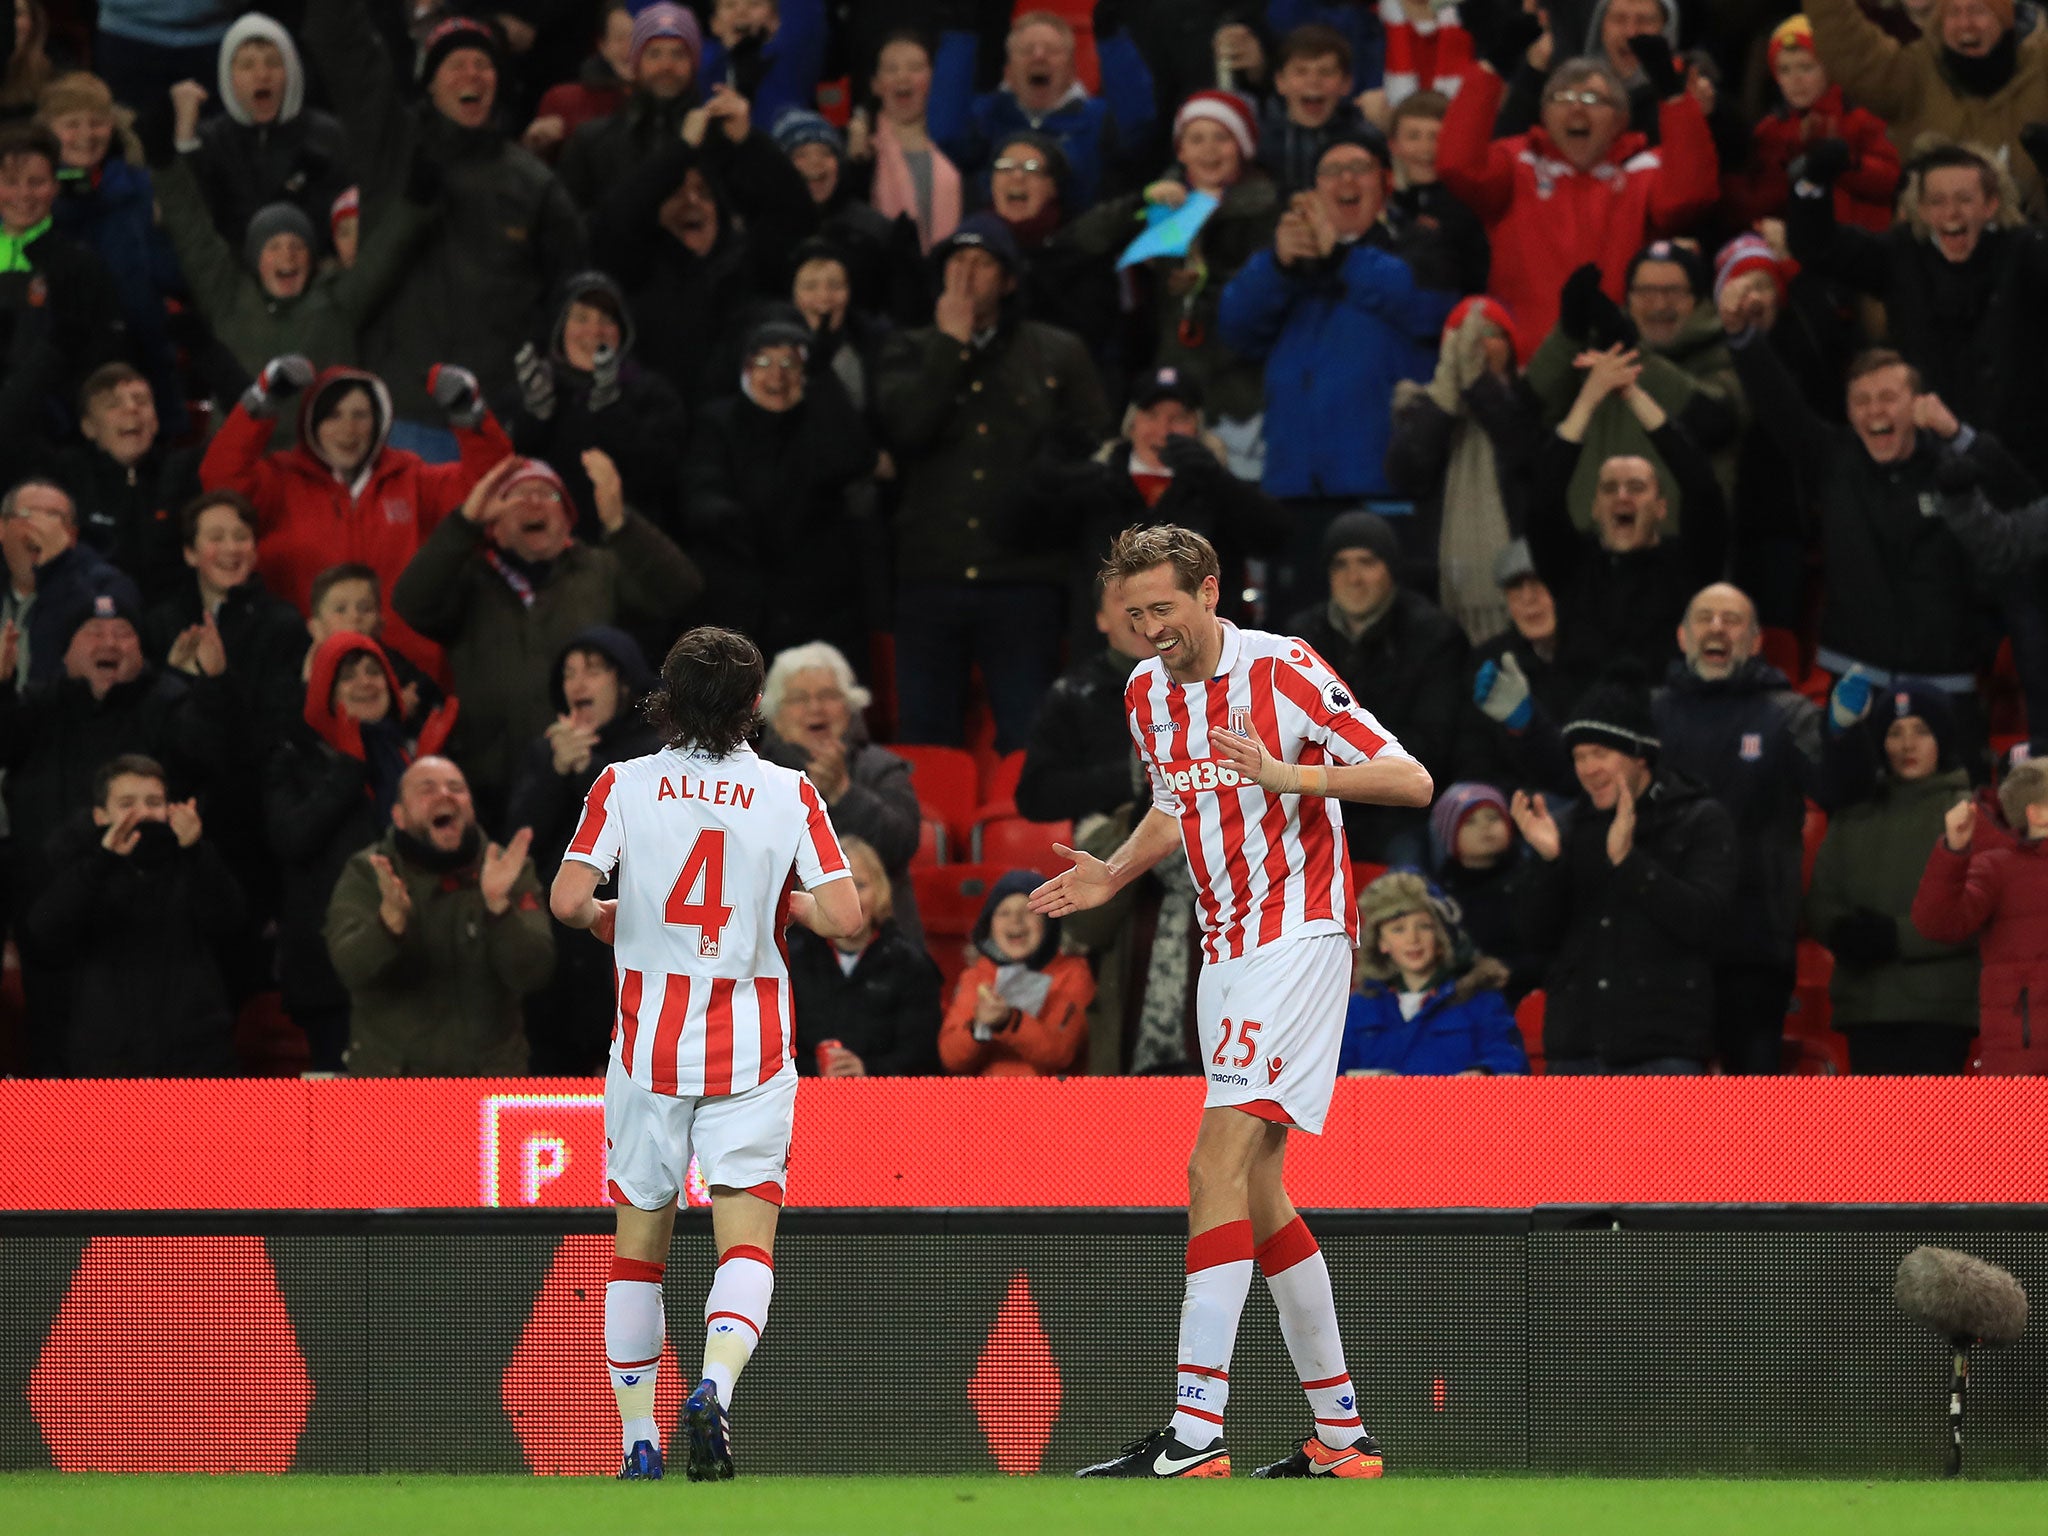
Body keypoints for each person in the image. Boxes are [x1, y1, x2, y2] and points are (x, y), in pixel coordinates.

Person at [1031, 523, 1431, 1479]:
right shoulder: (1142, 693)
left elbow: (1409, 780)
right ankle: (1342, 1439)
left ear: (1210, 590)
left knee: (1211, 1167)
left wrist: (1288, 773)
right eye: (1133, 616)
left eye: (1163, 608)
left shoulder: (1285, 668)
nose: (1150, 630)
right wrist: (1117, 873)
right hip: (1226, 948)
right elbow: (1180, 802)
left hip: (1299, 936)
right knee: (1256, 1190)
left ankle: (1195, 1433)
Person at [548, 625, 864, 1481]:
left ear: (666, 699)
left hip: (649, 1051)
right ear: (756, 706)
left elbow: (568, 896)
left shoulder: (623, 783)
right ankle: (715, 1389)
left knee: (635, 1247)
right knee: (746, 1242)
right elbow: (848, 919)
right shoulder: (790, 793)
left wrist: (607, 914)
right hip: (752, 1055)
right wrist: (780, 905)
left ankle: (637, 1440)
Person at [874, 212, 1109, 751]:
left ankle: (1028, 838)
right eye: (955, 262)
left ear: (1008, 279)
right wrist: (950, 347)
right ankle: (927, 837)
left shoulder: (1057, 352)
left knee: (1029, 732)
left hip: (1024, 576)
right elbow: (907, 431)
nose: (966, 275)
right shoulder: (906, 349)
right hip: (930, 574)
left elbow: (1089, 451)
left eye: (981, 264)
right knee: (926, 734)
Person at [301, 0, 586, 433]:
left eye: (482, 65)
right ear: (429, 82)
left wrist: (539, 384)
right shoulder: (391, 149)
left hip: (495, 417)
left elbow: (572, 291)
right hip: (402, 411)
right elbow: (343, 45)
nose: (471, 74)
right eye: (455, 64)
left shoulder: (533, 184)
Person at [1217, 126, 1458, 616]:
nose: (1345, 180)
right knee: (1296, 650)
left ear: (1385, 183)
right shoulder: (1287, 261)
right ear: (1313, 191)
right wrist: (1278, 266)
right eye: (1331, 171)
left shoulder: (1418, 243)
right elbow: (1235, 329)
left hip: (1383, 487)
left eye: (1359, 169)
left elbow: (1424, 307)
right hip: (1296, 489)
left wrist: (1343, 255)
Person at [390, 452, 701, 823]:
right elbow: (409, 603)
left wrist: (621, 524)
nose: (534, 502)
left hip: (586, 767)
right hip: (486, 780)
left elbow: (680, 591)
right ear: (494, 523)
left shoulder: (600, 569)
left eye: (549, 495)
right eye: (518, 496)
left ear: (568, 518)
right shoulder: (468, 578)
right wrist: (464, 522)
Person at [200, 358, 515, 677]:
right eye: (333, 415)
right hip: (302, 674)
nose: (348, 430)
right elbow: (220, 480)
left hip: (407, 677)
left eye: (360, 415)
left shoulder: (412, 480)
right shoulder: (279, 481)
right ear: (311, 422)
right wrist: (260, 401)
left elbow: (493, 487)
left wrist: (469, 414)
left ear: (380, 420)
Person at [1509, 665, 1737, 1074]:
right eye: (1579, 757)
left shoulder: (1700, 818)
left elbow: (1708, 924)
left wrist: (1629, 863)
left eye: (1600, 753)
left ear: (1640, 756)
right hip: (1575, 1048)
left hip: (1663, 1049)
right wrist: (1549, 861)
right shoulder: (1566, 828)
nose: (1588, 768)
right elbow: (1533, 937)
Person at [1436, 52, 1717, 359]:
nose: (1576, 106)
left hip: (1622, 366)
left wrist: (1675, 100)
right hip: (1529, 367)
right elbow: (1457, 166)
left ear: (1620, 120)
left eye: (1593, 98)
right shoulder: (1517, 162)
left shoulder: (1645, 168)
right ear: (1544, 114)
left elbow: (1690, 196)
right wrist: (1490, 69)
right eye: (1563, 97)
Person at [157, 79, 434, 389]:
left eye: (297, 246)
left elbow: (386, 252)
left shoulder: (337, 302)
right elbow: (192, 231)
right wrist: (163, 165)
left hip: (321, 437)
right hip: (246, 438)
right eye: (273, 246)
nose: (287, 255)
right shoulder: (228, 298)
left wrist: (415, 204)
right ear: (254, 258)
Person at [266, 630, 456, 1073]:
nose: (365, 683)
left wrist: (428, 785)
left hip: (417, 965)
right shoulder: (294, 757)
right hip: (333, 973)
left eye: (374, 671)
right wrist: (347, 769)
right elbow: (292, 839)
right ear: (323, 691)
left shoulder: (406, 756)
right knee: (351, 1124)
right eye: (347, 675)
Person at [1655, 583, 1824, 1074]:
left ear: (1755, 642)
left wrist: (1847, 733)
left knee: (1752, 1125)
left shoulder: (1787, 714)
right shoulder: (1650, 714)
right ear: (1682, 637)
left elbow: (1840, 787)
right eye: (1705, 617)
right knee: (1672, 1123)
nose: (1716, 628)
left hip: (1754, 946)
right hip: (1668, 949)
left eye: (1731, 620)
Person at [1033, 363, 1289, 658]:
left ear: (1197, 427)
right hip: (1103, 659)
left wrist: (1216, 480)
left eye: (1178, 418)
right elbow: (1024, 533)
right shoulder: (1095, 483)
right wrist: (1051, 474)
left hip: (1200, 659)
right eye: (1151, 416)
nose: (1163, 431)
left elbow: (1276, 536)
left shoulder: (1216, 488)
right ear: (1131, 424)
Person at [325, 755, 553, 1075]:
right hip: (391, 1081)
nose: (445, 795)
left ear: (470, 808)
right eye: (427, 789)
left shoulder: (506, 869)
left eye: (456, 788)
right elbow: (349, 969)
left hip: (489, 1081)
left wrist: (499, 908)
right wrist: (388, 923)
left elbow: (534, 973)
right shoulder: (369, 872)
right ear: (399, 816)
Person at [26, 752, 244, 1076]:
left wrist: (198, 851)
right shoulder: (76, 865)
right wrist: (102, 861)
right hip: (109, 1057)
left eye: (154, 802)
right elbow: (43, 932)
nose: (142, 813)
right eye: (127, 803)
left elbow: (233, 922)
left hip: (196, 1054)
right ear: (100, 815)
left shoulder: (194, 861)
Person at [505, 626, 660, 1075]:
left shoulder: (654, 753)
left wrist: (585, 770)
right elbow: (519, 842)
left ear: (625, 681)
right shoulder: (545, 752)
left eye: (593, 671)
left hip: (627, 940)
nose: (578, 683)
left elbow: (644, 833)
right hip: (556, 947)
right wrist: (556, 771)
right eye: (569, 673)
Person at [681, 311, 877, 665]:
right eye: (765, 361)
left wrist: (821, 376)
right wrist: (728, 518)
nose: (777, 375)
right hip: (743, 598)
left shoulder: (820, 421)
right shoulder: (718, 422)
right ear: (746, 369)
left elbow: (855, 459)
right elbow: (700, 486)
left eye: (790, 362)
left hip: (817, 603)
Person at [1805, 682, 1979, 1074]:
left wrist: (1894, 936)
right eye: (1894, 732)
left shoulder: (1968, 811)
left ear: (1943, 739)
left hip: (1939, 1013)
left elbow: (1974, 913)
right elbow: (1821, 897)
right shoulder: (1855, 811)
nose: (1907, 745)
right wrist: (1840, 931)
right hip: (1866, 1009)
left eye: (1921, 731)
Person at [1525, 344, 1728, 679]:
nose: (1622, 496)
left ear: (1662, 508)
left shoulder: (1689, 563)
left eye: (1636, 487)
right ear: (1594, 507)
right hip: (1582, 722)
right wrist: (1589, 398)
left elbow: (1701, 487)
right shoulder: (1571, 564)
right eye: (1609, 488)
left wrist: (1632, 393)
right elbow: (1543, 498)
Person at [1287, 510, 1469, 865]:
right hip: (1317, 804)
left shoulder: (1433, 636)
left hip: (1400, 810)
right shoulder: (1300, 639)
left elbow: (1432, 745)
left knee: (1405, 881)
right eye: (1341, 565)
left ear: (1390, 569)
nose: (1353, 578)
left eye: (1366, 562)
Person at [1526, 250, 1744, 530]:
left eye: (1674, 291)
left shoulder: (1722, 353)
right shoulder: (1596, 349)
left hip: (1677, 553)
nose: (1660, 304)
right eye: (1646, 292)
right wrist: (1568, 333)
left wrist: (1632, 354)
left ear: (1698, 300)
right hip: (1590, 549)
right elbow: (1531, 412)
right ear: (1628, 298)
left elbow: (1713, 422)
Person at [1385, 297, 1544, 643]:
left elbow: (1525, 454)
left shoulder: (1532, 402)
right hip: (1439, 587)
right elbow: (1406, 474)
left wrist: (1478, 387)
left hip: (1524, 583)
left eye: (1492, 333)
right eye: (1464, 336)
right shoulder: (1420, 408)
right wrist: (1445, 398)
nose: (1479, 345)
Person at [754, 640, 924, 952]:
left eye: (828, 696)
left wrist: (843, 793)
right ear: (775, 716)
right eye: (799, 699)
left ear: (850, 706)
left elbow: (902, 844)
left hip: (881, 947)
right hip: (783, 945)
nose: (815, 708)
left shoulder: (884, 768)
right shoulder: (755, 778)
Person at [1804, 0, 2048, 216]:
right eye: (1953, 13)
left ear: (2005, 20)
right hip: (1930, 254)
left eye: (1978, 11)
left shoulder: (2041, 68)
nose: (1965, 24)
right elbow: (1849, 49)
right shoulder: (1916, 75)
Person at [506, 271, 690, 541]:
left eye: (606, 320)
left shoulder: (652, 393)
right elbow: (504, 468)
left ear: (622, 331)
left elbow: (658, 473)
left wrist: (610, 408)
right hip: (547, 553)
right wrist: (534, 415)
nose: (594, 331)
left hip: (625, 551)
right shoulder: (530, 390)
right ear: (560, 327)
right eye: (581, 318)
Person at [1912, 757, 2048, 1073]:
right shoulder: (1997, 867)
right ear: (2036, 813)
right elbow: (1937, 921)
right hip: (2022, 1062)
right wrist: (1954, 852)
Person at [1340, 869, 1528, 1076]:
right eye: (1398, 929)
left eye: (1424, 926)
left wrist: (1482, 1073)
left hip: (1460, 1108)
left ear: (1441, 937)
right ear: (1381, 942)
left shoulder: (1481, 1001)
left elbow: (1510, 1061)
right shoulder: (1358, 1008)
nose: (1413, 939)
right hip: (1375, 1109)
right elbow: (1330, 1077)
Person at [1725, 15, 1901, 234]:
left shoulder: (1863, 117)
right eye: (1784, 70)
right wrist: (1789, 155)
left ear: (1831, 68)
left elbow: (1892, 180)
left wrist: (1841, 161)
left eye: (1806, 67)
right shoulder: (1770, 130)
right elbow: (1761, 203)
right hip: (1799, 246)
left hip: (1863, 243)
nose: (1795, 80)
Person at [787, 835, 941, 1077]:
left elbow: (924, 1055)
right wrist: (814, 1070)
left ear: (880, 889)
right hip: (801, 1098)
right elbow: (771, 1049)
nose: (851, 900)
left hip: (888, 1103)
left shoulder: (910, 964)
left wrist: (867, 1071)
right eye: (837, 889)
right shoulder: (789, 960)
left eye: (859, 886)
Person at [52, 364, 201, 603]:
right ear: (89, 427)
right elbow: (11, 428)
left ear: (156, 421)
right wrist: (57, 347)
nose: (132, 409)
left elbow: (247, 426)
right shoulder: (66, 474)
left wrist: (203, 346)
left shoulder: (184, 471)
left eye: (142, 401)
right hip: (91, 622)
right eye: (113, 404)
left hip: (173, 625)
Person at [939, 869, 1093, 1076]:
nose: (1015, 921)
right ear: (989, 926)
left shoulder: (1073, 974)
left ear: (1049, 924)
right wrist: (977, 1028)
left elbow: (1060, 1053)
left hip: (1054, 1102)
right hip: (987, 1102)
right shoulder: (977, 976)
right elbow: (951, 1058)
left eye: (1029, 911)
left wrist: (1008, 1021)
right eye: (1004, 913)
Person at [558, 3, 703, 211]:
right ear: (635, 64)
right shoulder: (591, 142)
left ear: (694, 63)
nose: (666, 66)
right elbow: (570, 228)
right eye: (654, 54)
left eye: (678, 54)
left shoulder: (718, 138)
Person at [1428, 780, 1542, 1003]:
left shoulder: (1534, 878)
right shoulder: (1437, 895)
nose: (1485, 827)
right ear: (1448, 834)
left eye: (1493, 817)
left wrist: (1511, 970)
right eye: (1469, 821)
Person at [859, 30, 961, 254]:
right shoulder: (862, 152)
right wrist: (856, 162)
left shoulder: (957, 148)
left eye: (915, 68)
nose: (903, 76)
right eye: (891, 69)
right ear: (876, 84)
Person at [1255, 24, 1371, 193]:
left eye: (1326, 72)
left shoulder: (1365, 139)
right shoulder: (1258, 139)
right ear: (1280, 82)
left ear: (1346, 83)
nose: (1313, 81)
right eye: (1301, 72)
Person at [524, 1, 636, 162]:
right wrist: (533, 146)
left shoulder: (672, 103)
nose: (629, 48)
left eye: (638, 37)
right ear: (602, 45)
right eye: (619, 38)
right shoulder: (563, 101)